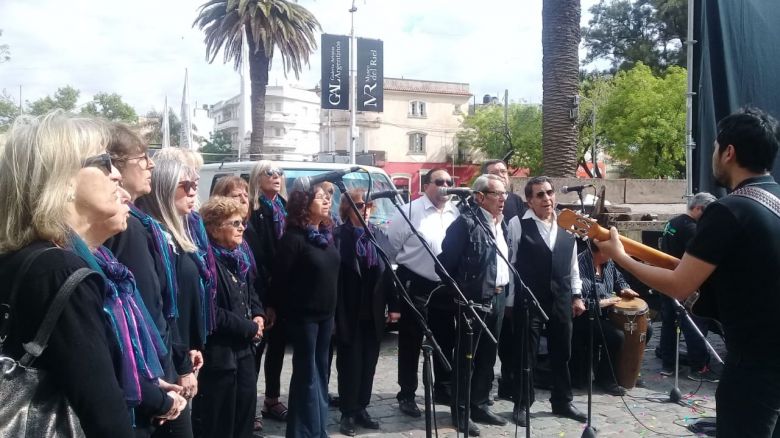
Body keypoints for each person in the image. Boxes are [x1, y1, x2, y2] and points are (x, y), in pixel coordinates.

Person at [596, 107, 780, 438]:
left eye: (714, 147)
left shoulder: (728, 210)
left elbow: (679, 285)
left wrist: (619, 255)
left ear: (729, 152)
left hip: (755, 368)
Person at [0, 112, 139, 437]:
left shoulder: (17, 258)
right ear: (62, 179)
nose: (117, 175)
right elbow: (104, 415)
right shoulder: (61, 270)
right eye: (104, 162)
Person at [105, 123, 195, 437]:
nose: (151, 165)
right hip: (151, 371)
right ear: (114, 166)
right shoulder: (126, 229)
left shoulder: (141, 225)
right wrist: (168, 374)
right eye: (143, 158)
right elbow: (143, 312)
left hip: (160, 362)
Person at [507, 176, 587, 426]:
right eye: (539, 195)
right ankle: (522, 403)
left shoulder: (568, 224)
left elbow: (573, 264)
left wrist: (577, 295)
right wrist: (510, 301)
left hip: (561, 297)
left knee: (562, 351)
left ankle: (562, 401)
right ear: (529, 201)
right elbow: (510, 263)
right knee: (526, 354)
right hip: (529, 297)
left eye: (549, 193)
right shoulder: (518, 224)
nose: (546, 198)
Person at [137, 158, 207, 437]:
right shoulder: (151, 235)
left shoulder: (173, 235)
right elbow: (159, 310)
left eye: (195, 185)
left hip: (179, 352)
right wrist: (181, 364)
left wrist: (189, 349)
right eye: (185, 185)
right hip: (166, 363)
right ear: (164, 189)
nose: (192, 192)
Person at [438, 174, 512, 435]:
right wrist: (462, 293)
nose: (503, 199)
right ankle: (460, 412)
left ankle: (479, 404)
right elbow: (444, 265)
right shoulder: (465, 225)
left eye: (505, 194)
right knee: (466, 359)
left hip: (499, 296)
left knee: (488, 356)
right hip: (473, 300)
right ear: (480, 197)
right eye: (497, 194)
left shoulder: (500, 224)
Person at [266, 184, 340, 438]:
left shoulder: (326, 235)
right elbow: (280, 278)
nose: (326, 201)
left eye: (328, 197)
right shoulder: (293, 238)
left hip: (325, 315)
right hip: (303, 316)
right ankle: (301, 432)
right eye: (320, 197)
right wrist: (273, 307)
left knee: (321, 372)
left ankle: (318, 428)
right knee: (307, 374)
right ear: (304, 205)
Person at [386, 167, 459, 417]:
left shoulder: (455, 211)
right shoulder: (408, 212)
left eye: (449, 181)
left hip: (445, 286)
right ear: (426, 185)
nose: (445, 186)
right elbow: (391, 249)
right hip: (415, 283)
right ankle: (407, 393)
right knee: (410, 340)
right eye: (439, 181)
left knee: (445, 338)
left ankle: (443, 388)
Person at [193, 196, 264, 438]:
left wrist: (258, 314)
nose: (242, 227)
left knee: (245, 416)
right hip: (220, 356)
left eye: (242, 222)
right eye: (234, 223)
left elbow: (250, 288)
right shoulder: (205, 261)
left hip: (244, 353)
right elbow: (211, 310)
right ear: (214, 229)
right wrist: (248, 327)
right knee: (220, 424)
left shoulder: (239, 257)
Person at [334, 189, 399, 436]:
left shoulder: (378, 236)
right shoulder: (339, 237)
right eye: (359, 205)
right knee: (350, 364)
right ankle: (348, 412)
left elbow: (389, 275)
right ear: (347, 209)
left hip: (373, 312)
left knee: (369, 364)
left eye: (368, 205)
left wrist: (394, 306)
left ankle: (362, 407)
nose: (365, 209)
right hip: (348, 310)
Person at [243, 160, 289, 426]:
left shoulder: (284, 206)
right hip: (263, 288)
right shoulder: (254, 210)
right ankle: (251, 409)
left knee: (278, 348)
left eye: (279, 172)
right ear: (257, 178)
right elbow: (259, 257)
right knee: (256, 351)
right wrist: (266, 300)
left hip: (284, 289)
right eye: (269, 173)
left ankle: (272, 399)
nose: (276, 177)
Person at [657, 192, 719, 382]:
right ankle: (698, 367)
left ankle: (668, 364)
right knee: (694, 326)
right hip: (685, 284)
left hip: (666, 281)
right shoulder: (692, 230)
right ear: (698, 208)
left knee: (668, 323)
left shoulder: (672, 222)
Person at [481, 159, 526, 401]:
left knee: (510, 341)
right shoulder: (476, 208)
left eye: (505, 172)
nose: (503, 175)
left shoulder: (516, 202)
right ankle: (482, 388)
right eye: (496, 173)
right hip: (487, 283)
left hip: (511, 278)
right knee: (486, 345)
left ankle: (508, 385)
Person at [572, 244, 641, 396]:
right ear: (601, 251)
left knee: (643, 329)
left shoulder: (608, 263)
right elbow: (579, 301)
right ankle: (606, 378)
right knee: (615, 336)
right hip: (584, 317)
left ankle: (627, 373)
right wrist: (603, 302)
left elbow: (619, 279)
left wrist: (624, 288)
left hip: (606, 313)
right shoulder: (580, 264)